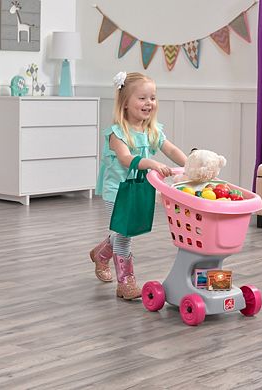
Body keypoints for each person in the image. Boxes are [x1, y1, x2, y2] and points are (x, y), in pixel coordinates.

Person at [91, 71, 187, 300]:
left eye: (152, 98)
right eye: (142, 98)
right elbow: (125, 159)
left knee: (126, 229)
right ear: (125, 103)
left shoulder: (153, 131)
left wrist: (190, 164)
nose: (149, 103)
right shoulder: (117, 133)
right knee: (124, 234)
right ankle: (125, 282)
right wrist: (151, 164)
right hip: (117, 190)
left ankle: (100, 254)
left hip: (138, 190)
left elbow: (171, 150)